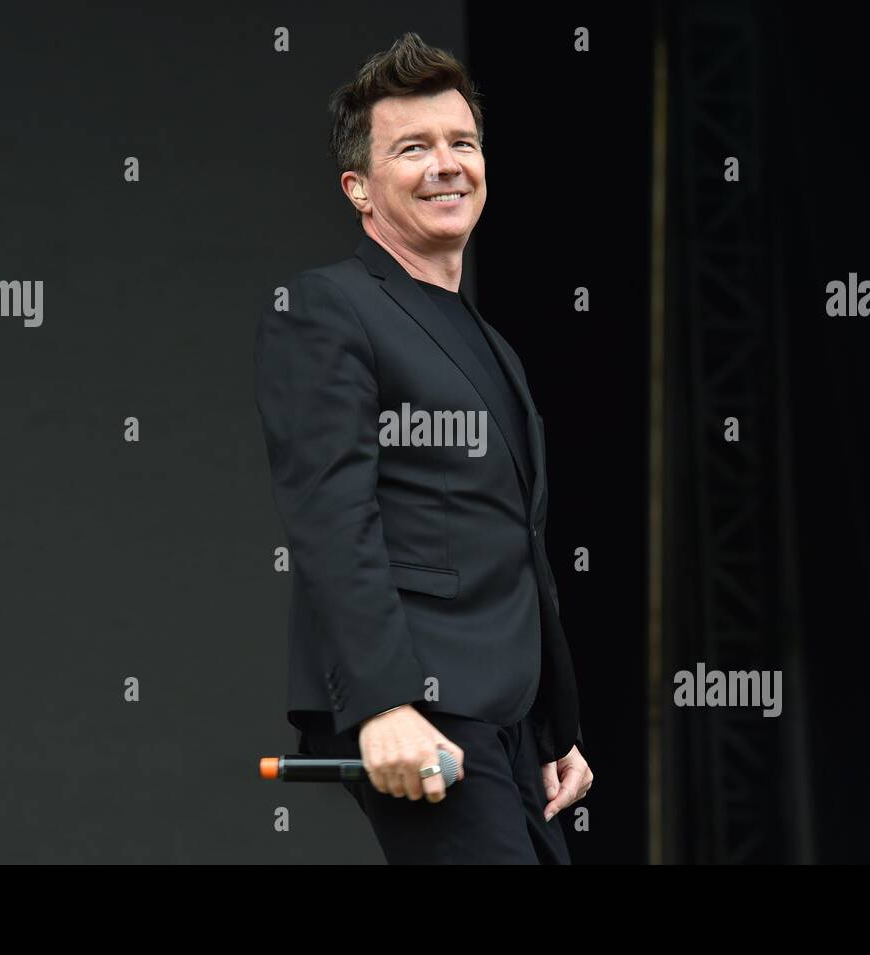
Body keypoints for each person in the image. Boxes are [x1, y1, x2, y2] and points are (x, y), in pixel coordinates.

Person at [253, 32, 592, 864]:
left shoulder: (490, 343)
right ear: (359, 190)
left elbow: (511, 540)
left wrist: (555, 722)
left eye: (462, 143)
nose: (448, 163)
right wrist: (382, 705)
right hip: (421, 707)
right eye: (414, 148)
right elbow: (333, 515)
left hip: (507, 726)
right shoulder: (326, 306)